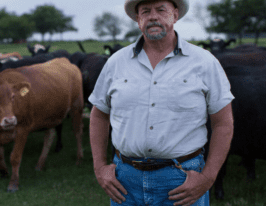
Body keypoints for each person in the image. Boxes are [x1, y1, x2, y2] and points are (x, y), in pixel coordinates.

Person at [88, 0, 234, 205]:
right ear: (138, 20)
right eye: (145, 11)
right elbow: (98, 114)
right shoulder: (116, 63)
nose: (153, 16)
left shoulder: (204, 62)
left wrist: (208, 177)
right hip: (125, 182)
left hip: (182, 180)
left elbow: (223, 123)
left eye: (161, 10)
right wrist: (100, 168)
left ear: (175, 15)